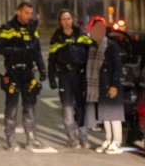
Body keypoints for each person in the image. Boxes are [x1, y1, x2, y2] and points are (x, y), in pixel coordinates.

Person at [0, 1, 47, 151]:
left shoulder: (32, 28)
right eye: (26, 13)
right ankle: (10, 138)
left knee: (30, 106)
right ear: (18, 12)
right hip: (13, 72)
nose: (28, 16)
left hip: (28, 73)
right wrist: (17, 50)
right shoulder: (7, 28)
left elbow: (36, 50)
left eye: (30, 13)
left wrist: (42, 69)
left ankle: (31, 137)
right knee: (11, 107)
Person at [48, 10, 92, 149]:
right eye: (63, 19)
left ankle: (83, 137)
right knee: (67, 107)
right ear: (60, 22)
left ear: (72, 20)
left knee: (81, 107)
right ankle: (71, 137)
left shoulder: (81, 35)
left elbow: (91, 54)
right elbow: (52, 60)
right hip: (64, 76)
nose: (67, 22)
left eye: (69, 18)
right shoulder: (57, 37)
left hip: (79, 75)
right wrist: (51, 78)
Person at [83, 17, 125, 155]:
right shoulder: (92, 47)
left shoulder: (111, 46)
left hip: (110, 85)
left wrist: (114, 85)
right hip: (99, 86)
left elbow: (117, 67)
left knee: (114, 115)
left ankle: (117, 141)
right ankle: (109, 139)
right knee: (105, 115)